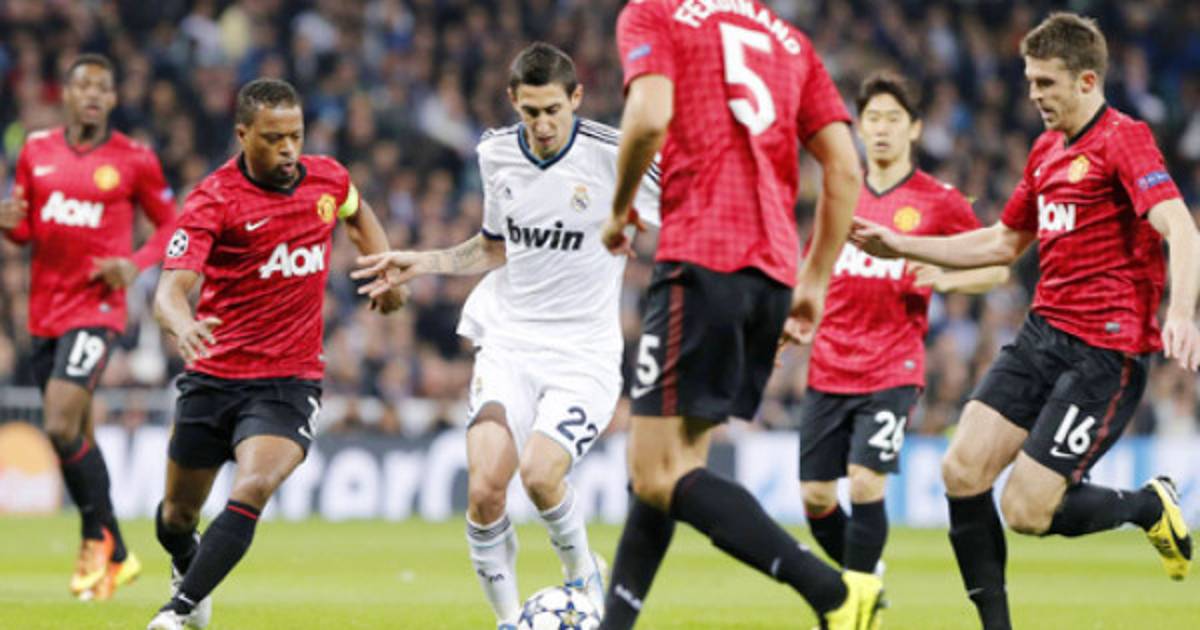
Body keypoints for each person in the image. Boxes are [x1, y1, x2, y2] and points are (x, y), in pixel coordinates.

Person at [850, 13, 1196, 629]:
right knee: (960, 470)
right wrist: (902, 245)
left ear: (1087, 81)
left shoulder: (1124, 139)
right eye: (1030, 81)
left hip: (1104, 352)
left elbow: (1181, 227)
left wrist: (1183, 312)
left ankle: (1148, 507)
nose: (1033, 94)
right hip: (1042, 336)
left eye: (1045, 82)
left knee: (1027, 510)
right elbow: (1002, 242)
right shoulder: (1045, 151)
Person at [353, 42, 660, 629]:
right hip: (510, 341)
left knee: (541, 474)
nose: (542, 125)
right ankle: (508, 621)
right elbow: (496, 246)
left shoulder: (616, 155)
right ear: (513, 102)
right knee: (485, 489)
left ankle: (584, 578)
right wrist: (426, 261)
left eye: (553, 110)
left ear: (577, 98)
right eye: (530, 112)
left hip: (584, 353)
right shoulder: (496, 153)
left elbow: (693, 211)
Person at [599, 2, 883, 628]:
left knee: (655, 472)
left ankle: (834, 594)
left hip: (702, 258)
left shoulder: (656, 14)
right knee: (671, 466)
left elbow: (648, 117)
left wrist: (619, 210)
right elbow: (845, 167)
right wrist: (814, 279)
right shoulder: (790, 41)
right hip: (771, 275)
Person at [146, 78, 405, 630]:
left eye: (296, 136)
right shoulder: (214, 198)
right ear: (243, 135)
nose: (288, 149)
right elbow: (169, 290)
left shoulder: (328, 179)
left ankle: (178, 611)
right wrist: (183, 324)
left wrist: (384, 268)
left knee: (254, 485)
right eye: (273, 138)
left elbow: (357, 212)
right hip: (213, 378)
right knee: (175, 519)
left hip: (289, 381)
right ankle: (187, 562)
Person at [800, 71, 1010, 581]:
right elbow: (815, 267)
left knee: (865, 481)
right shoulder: (839, 190)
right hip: (829, 363)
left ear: (914, 128)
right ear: (859, 127)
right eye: (872, 118)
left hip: (893, 366)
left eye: (893, 118)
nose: (881, 128)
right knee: (816, 497)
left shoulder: (939, 200)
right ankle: (867, 572)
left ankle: (856, 600)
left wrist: (947, 278)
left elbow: (997, 267)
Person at [0, 53, 178, 600]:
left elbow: (171, 224)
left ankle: (101, 544)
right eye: (84, 86)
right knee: (76, 433)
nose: (94, 95)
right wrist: (10, 226)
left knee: (58, 423)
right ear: (68, 95)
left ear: (114, 98)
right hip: (44, 312)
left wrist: (135, 264)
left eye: (104, 87)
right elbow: (27, 229)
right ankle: (111, 548)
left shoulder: (135, 159)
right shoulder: (36, 151)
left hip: (97, 310)